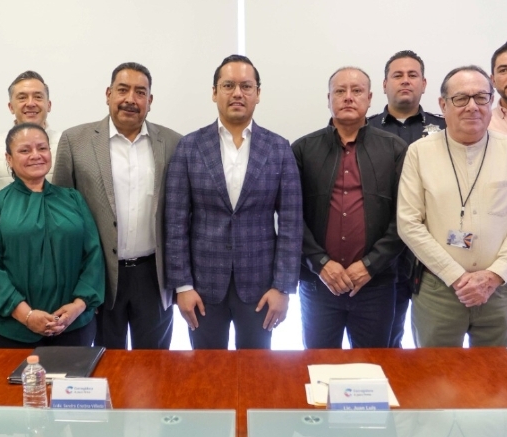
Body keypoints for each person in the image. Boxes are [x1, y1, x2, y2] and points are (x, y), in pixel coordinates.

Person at [397, 66, 507, 347]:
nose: (472, 107)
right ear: (442, 105)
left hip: (499, 290)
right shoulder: (419, 152)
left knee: (496, 380)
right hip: (439, 290)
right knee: (434, 379)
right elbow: (409, 223)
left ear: (491, 101)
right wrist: (455, 277)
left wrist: (494, 275)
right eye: (461, 99)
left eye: (481, 97)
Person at [164, 55, 302, 350]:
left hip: (260, 287)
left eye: (246, 86)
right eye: (228, 85)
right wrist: (183, 286)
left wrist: (283, 287)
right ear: (214, 92)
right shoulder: (189, 147)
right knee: (207, 374)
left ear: (258, 94)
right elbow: (175, 222)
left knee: (256, 375)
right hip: (202, 287)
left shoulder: (278, 148)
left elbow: (291, 223)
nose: (237, 93)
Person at [53, 62, 181, 349]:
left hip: (153, 276)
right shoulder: (75, 141)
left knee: (155, 365)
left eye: (140, 92)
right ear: (108, 93)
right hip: (98, 275)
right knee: (104, 362)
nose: (130, 99)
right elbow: (61, 216)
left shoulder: (173, 143)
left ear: (150, 100)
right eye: (123, 90)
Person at [292, 67, 407, 348]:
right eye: (340, 91)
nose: (348, 97)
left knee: (373, 369)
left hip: (375, 285)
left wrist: (369, 266)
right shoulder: (303, 149)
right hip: (319, 284)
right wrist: (320, 263)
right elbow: (291, 218)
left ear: (369, 98)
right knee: (317, 366)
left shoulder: (395, 149)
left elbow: (406, 218)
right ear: (328, 98)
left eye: (356, 91)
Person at [0, 123, 105, 348]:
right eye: (24, 150)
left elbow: (93, 256)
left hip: (73, 327)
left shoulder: (73, 199)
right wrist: (25, 314)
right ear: (9, 158)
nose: (36, 155)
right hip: (9, 331)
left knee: (72, 384)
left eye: (42, 148)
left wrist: (79, 306)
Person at [368, 50, 446, 348]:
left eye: (412, 75)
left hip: (434, 251)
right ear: (385, 84)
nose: (405, 81)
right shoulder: (366, 128)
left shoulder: (444, 128)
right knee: (385, 340)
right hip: (383, 252)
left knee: (433, 342)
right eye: (397, 75)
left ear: (424, 84)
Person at [0, 70, 61, 191]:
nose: (31, 103)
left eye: (38, 97)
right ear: (11, 107)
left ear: (49, 105)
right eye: (22, 98)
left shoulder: (66, 144)